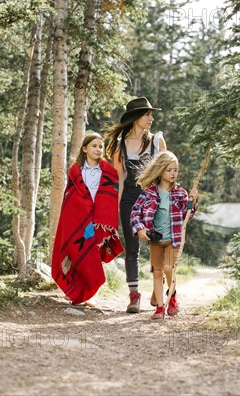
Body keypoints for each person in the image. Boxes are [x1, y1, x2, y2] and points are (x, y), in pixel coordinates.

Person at [105, 96, 166, 313]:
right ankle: (134, 296)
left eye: (151, 114)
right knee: (132, 249)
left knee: (159, 245)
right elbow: (120, 179)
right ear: (135, 117)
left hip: (152, 199)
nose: (151, 118)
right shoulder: (119, 147)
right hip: (130, 199)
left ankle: (157, 288)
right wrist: (117, 208)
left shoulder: (157, 142)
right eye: (147, 114)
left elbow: (165, 176)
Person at [51, 133, 124, 305]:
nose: (98, 149)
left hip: (98, 219)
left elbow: (111, 195)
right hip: (77, 220)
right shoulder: (75, 170)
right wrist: (78, 210)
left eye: (100, 146)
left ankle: (90, 293)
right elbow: (70, 196)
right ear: (84, 149)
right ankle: (76, 290)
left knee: (93, 255)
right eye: (94, 146)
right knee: (76, 253)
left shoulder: (107, 171)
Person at [130, 150, 198, 320]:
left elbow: (187, 216)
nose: (173, 173)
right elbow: (134, 212)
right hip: (155, 241)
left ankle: (172, 295)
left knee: (169, 268)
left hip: (173, 240)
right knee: (158, 273)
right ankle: (160, 308)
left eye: (176, 170)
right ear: (160, 170)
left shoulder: (180, 193)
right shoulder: (149, 193)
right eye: (169, 170)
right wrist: (140, 229)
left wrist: (193, 202)